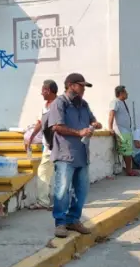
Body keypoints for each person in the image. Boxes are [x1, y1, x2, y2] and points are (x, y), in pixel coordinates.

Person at [48, 73, 101, 238]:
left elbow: (92, 119)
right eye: (81, 85)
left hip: (82, 154)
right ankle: (60, 223)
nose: (83, 89)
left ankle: (73, 219)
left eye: (84, 86)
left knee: (81, 190)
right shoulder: (59, 103)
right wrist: (79, 132)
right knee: (62, 190)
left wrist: (94, 124)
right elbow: (56, 127)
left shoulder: (83, 104)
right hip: (65, 154)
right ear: (70, 85)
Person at [26, 80, 62, 209]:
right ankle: (44, 201)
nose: (41, 93)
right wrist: (31, 136)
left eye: (43, 90)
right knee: (44, 172)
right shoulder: (45, 106)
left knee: (62, 173)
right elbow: (40, 123)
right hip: (48, 145)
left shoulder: (59, 104)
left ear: (49, 90)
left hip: (60, 145)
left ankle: (58, 201)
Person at [108, 85, 140, 177]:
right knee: (127, 151)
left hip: (126, 130)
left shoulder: (122, 102)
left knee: (128, 151)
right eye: (125, 92)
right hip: (121, 130)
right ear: (121, 93)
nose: (127, 94)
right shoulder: (115, 102)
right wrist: (110, 128)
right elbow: (111, 115)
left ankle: (129, 169)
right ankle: (129, 171)